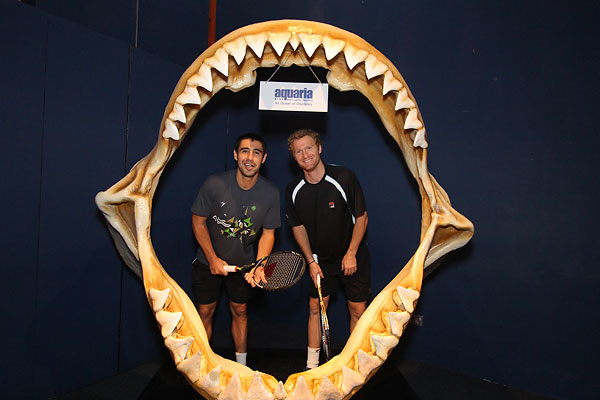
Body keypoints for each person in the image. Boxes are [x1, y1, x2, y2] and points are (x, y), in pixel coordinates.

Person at [191, 133, 280, 366]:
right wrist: (212, 258)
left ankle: (241, 367)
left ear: (264, 158)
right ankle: (202, 367)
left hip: (243, 266)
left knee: (240, 311)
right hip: (207, 262)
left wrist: (260, 265)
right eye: (244, 151)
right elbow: (198, 222)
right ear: (235, 155)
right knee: (205, 312)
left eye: (256, 153)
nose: (250, 158)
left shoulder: (271, 193)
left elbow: (268, 234)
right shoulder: (214, 184)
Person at [285, 129, 370, 369]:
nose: (305, 155)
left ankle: (355, 366)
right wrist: (311, 262)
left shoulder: (344, 177)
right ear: (294, 157)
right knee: (315, 308)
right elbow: (298, 227)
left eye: (309, 148)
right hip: (320, 263)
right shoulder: (293, 189)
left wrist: (351, 253)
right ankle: (311, 366)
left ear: (320, 148)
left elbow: (362, 218)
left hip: (352, 256)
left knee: (357, 309)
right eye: (298, 151)